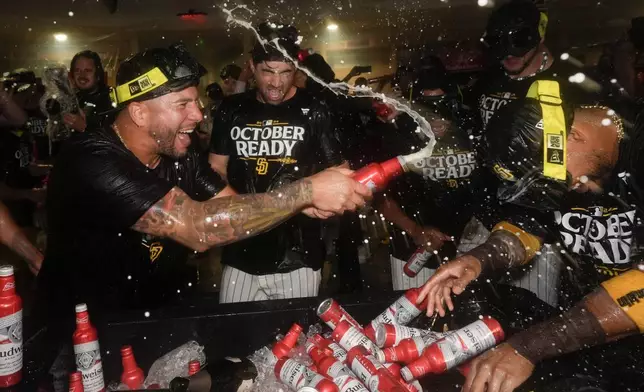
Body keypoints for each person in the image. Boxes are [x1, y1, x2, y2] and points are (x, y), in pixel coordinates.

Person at [38, 42, 370, 325]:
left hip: (154, 315)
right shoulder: (92, 160)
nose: (197, 116)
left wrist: (303, 206)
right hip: (80, 331)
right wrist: (305, 191)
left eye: (194, 102)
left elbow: (230, 204)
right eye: (182, 105)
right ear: (139, 113)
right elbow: (199, 229)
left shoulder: (181, 152)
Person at [417, 87, 644, 391]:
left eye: (560, 181)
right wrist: (478, 260)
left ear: (573, 136)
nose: (568, 189)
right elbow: (529, 227)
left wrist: (530, 346)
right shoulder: (567, 160)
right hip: (587, 329)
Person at [209, 23, 350, 303]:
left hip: (298, 249)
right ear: (252, 67)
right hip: (241, 248)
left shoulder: (315, 109)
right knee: (234, 337)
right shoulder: (232, 108)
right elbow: (216, 167)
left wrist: (317, 199)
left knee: (298, 341)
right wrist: (229, 211)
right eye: (267, 72)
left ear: (295, 70)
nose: (276, 83)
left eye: (285, 73)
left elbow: (340, 170)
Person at [378, 56, 477, 290]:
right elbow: (380, 196)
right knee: (409, 321)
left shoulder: (469, 134)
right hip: (412, 250)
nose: (436, 119)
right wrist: (414, 230)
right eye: (428, 109)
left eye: (443, 107)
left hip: (464, 252)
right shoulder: (398, 136)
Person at [63, 50, 113, 132]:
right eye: (77, 71)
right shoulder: (71, 100)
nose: (82, 75)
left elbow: (118, 138)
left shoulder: (112, 98)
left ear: (98, 74)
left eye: (88, 70)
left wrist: (85, 128)